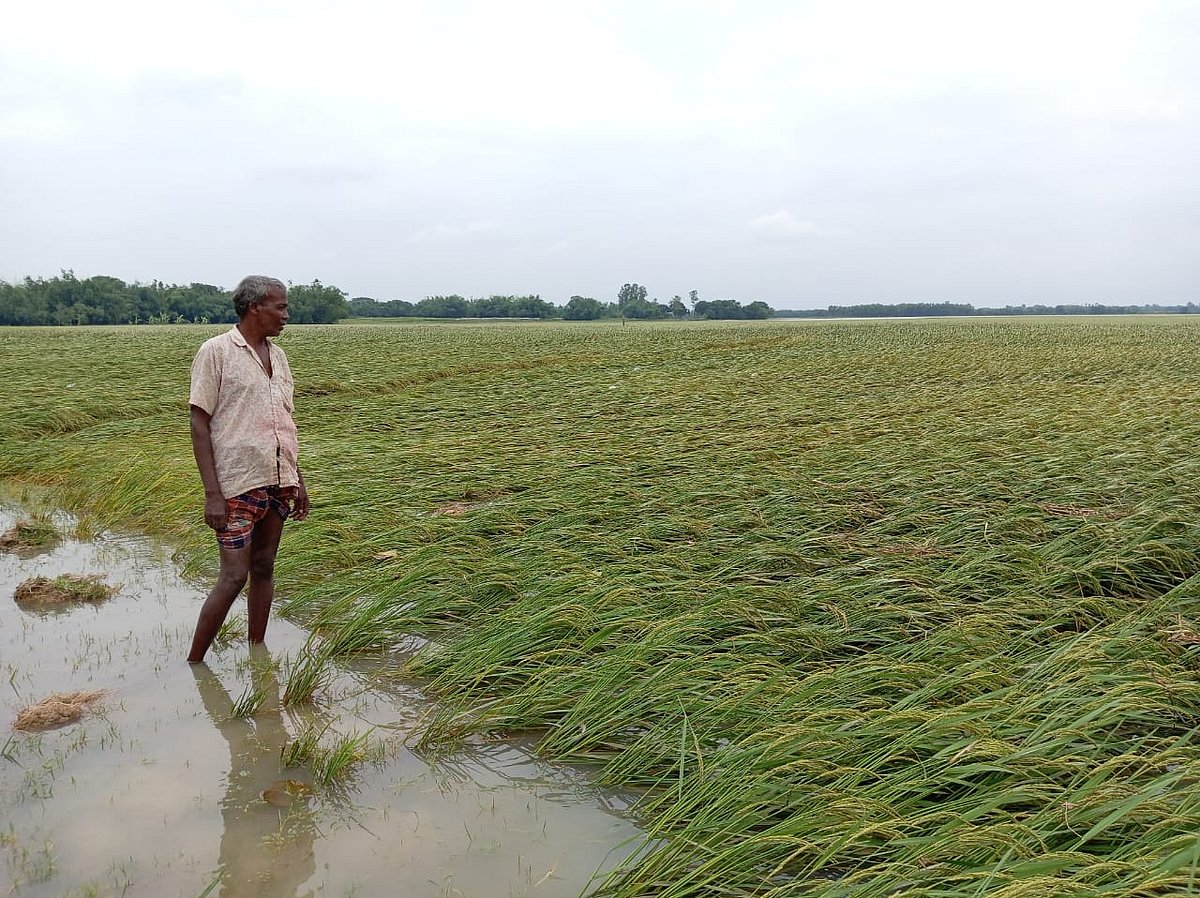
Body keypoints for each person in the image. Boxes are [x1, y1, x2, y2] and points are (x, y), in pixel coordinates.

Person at [186, 275, 310, 664]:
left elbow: (283, 423)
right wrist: (212, 494)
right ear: (254, 307)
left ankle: (257, 651)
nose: (286, 315)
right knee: (233, 576)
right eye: (280, 307)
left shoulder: (280, 357)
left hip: (278, 480)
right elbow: (198, 422)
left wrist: (298, 480)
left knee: (264, 566)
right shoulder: (216, 352)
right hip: (237, 483)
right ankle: (194, 663)